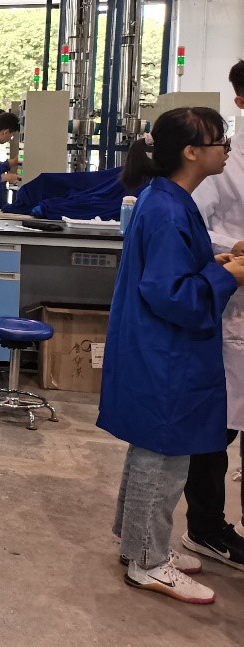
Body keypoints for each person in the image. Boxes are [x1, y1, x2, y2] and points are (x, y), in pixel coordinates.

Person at [97, 107, 244, 604]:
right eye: (219, 141)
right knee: (163, 457)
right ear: (191, 151)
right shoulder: (167, 209)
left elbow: (172, 270)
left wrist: (214, 261)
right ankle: (148, 560)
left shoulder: (168, 199)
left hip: (159, 348)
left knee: (153, 451)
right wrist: (227, 276)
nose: (226, 150)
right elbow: (170, 294)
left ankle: (137, 542)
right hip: (165, 351)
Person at [181, 60, 244, 570]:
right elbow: (192, 232)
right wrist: (235, 251)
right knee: (215, 432)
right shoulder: (224, 165)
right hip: (232, 314)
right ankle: (205, 527)